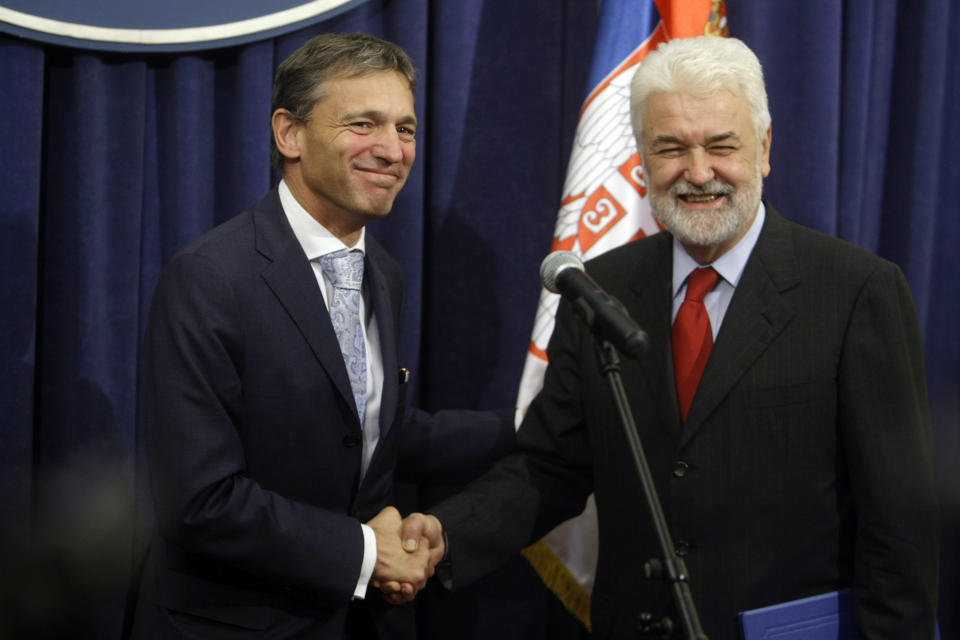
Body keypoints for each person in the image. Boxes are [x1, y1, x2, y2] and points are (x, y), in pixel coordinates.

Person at [398, 36, 940, 639]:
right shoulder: (599, 289)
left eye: (721, 146)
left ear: (763, 149)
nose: (699, 172)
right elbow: (550, 466)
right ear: (641, 157)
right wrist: (449, 535)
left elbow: (899, 523)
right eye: (672, 148)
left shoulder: (855, 290)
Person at [130, 32, 512, 640]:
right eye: (364, 124)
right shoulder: (209, 276)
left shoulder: (382, 274)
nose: (392, 150)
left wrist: (527, 425)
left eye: (406, 129)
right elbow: (200, 502)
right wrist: (368, 553)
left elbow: (362, 433)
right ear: (289, 134)